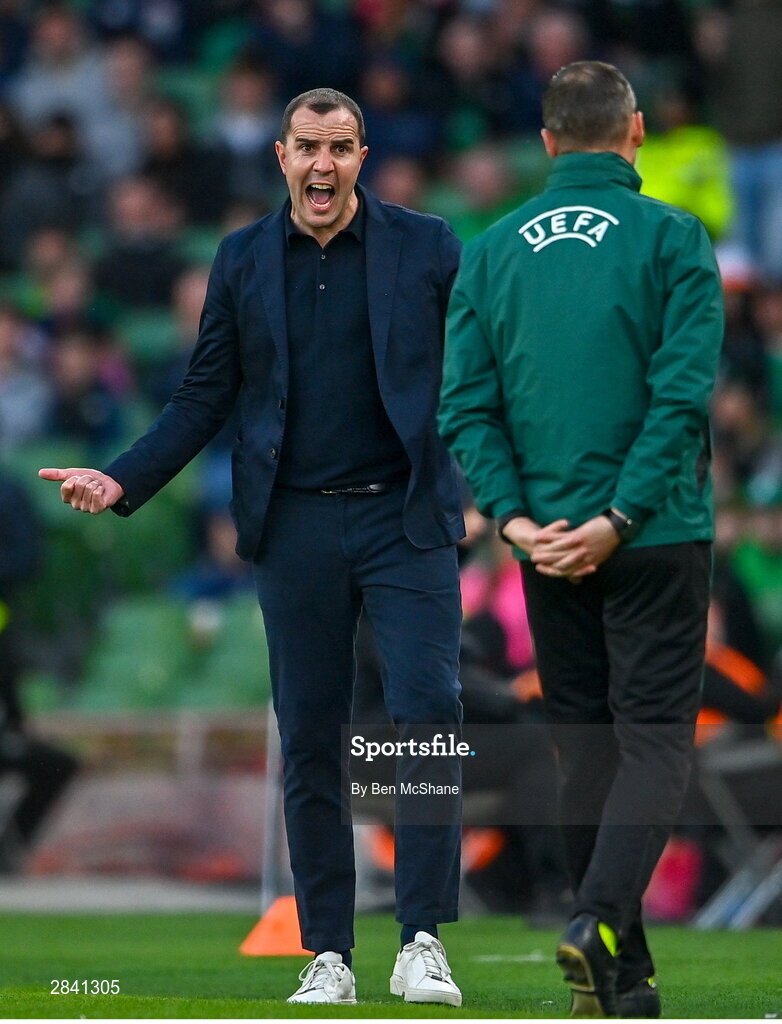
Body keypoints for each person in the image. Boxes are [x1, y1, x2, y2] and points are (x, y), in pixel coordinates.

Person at [40, 87, 465, 1007]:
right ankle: (330, 954)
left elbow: (474, 375)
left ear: (363, 155)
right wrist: (121, 479)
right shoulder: (240, 259)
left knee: (429, 716)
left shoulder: (429, 245)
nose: (323, 164)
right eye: (307, 147)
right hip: (297, 524)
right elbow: (204, 397)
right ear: (280, 156)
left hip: (406, 519)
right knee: (310, 737)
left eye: (340, 147)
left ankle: (424, 939)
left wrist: (494, 487)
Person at [439, 61, 723, 1018]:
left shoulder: (489, 252)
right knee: (651, 745)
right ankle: (597, 918)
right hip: (651, 536)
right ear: (635, 131)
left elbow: (466, 407)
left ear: (550, 141)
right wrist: (623, 518)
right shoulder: (674, 236)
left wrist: (517, 523)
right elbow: (681, 398)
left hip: (545, 544)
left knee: (583, 751)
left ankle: (625, 982)